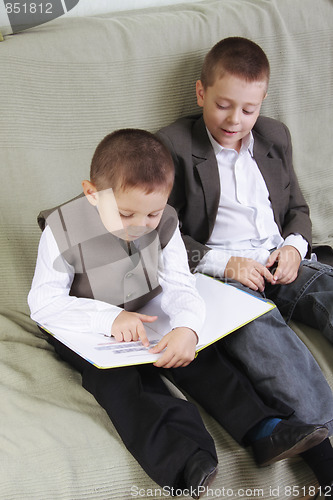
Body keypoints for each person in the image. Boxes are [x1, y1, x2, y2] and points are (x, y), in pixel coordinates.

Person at [28, 129, 327, 499]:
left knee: (201, 358)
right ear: (92, 194)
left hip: (145, 311)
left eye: (152, 213)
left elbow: (179, 285)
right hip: (83, 326)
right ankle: (186, 462)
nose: (140, 224)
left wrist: (186, 328)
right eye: (125, 213)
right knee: (124, 385)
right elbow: (44, 304)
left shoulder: (165, 223)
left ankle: (265, 428)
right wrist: (109, 320)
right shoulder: (61, 230)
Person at [157, 37, 333, 492]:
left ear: (262, 103)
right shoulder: (172, 146)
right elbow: (162, 231)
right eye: (223, 105)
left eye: (249, 109)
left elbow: (297, 206)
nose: (236, 120)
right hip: (224, 274)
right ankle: (325, 450)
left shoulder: (275, 136)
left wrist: (294, 246)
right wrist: (222, 263)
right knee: (263, 338)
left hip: (280, 258)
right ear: (200, 93)